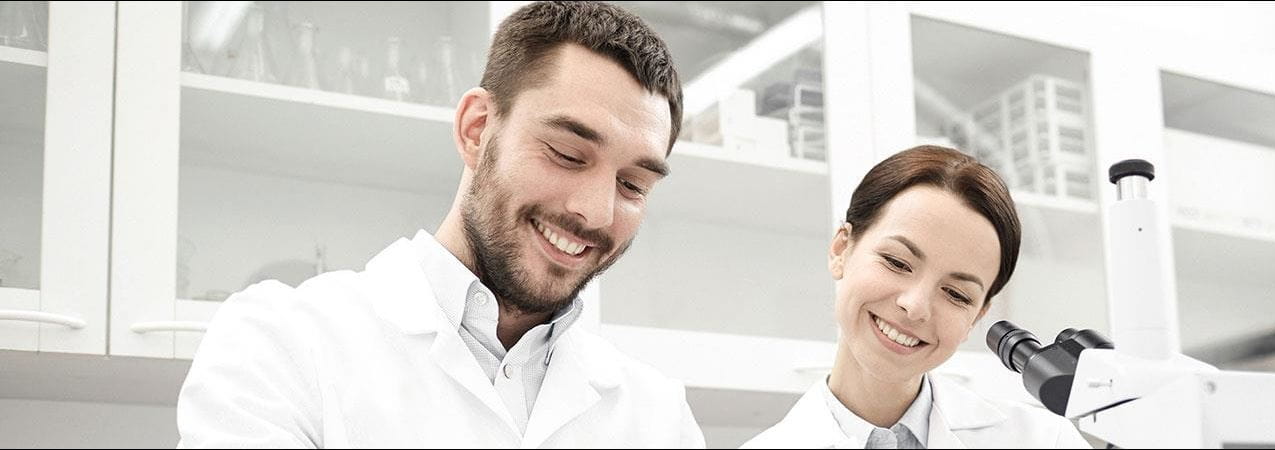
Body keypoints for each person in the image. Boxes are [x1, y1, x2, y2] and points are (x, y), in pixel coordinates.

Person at [177, 2, 704, 447]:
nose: (596, 212)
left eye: (633, 185)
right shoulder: (281, 342)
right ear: (476, 130)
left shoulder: (657, 416)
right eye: (567, 154)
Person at [742, 146, 1091, 449]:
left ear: (978, 316)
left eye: (956, 294)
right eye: (897, 262)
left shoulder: (1043, 442)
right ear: (841, 249)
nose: (915, 306)